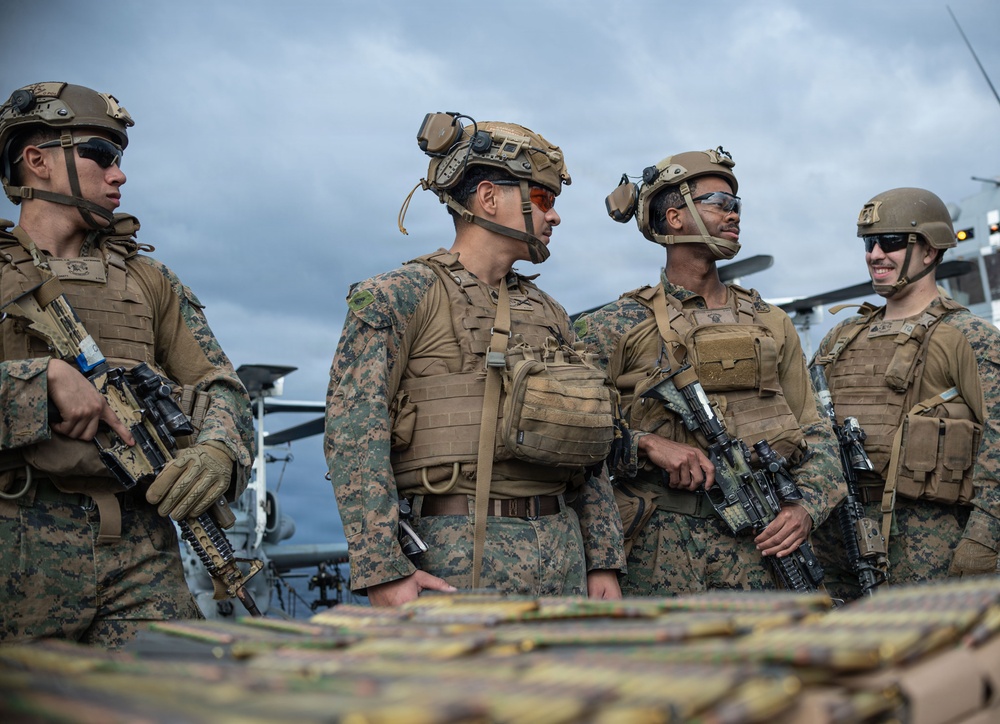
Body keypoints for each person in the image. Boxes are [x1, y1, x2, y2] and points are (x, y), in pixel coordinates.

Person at [326, 112, 624, 606]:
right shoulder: (401, 296)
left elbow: (587, 450)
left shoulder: (551, 313)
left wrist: (603, 561)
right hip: (452, 557)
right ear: (488, 197)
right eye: (542, 198)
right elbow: (353, 435)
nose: (554, 217)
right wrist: (383, 571)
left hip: (563, 556)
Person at [0, 82, 254, 646]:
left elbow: (225, 391)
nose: (119, 175)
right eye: (101, 155)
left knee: (171, 699)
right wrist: (39, 383)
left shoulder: (147, 279)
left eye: (121, 159)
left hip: (143, 550)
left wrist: (216, 453)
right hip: (16, 541)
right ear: (36, 162)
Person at [575, 147, 843, 595]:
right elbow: (578, 440)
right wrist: (645, 444)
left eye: (738, 206)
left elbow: (816, 433)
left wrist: (806, 510)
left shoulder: (771, 322)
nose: (734, 215)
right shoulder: (614, 325)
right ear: (675, 217)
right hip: (657, 553)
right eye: (720, 203)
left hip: (763, 550)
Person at [810, 187, 1000, 601]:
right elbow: (805, 428)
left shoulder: (968, 338)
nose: (875, 253)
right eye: (868, 242)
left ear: (930, 251)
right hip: (837, 538)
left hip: (927, 549)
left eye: (892, 241)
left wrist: (985, 538)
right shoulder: (839, 339)